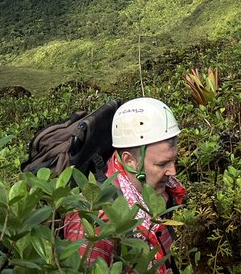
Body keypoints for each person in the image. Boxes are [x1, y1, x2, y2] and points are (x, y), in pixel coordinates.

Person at [62, 97, 186, 270]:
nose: (173, 172)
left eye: (174, 160)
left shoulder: (165, 189)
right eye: (162, 164)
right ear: (129, 161)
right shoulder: (94, 221)